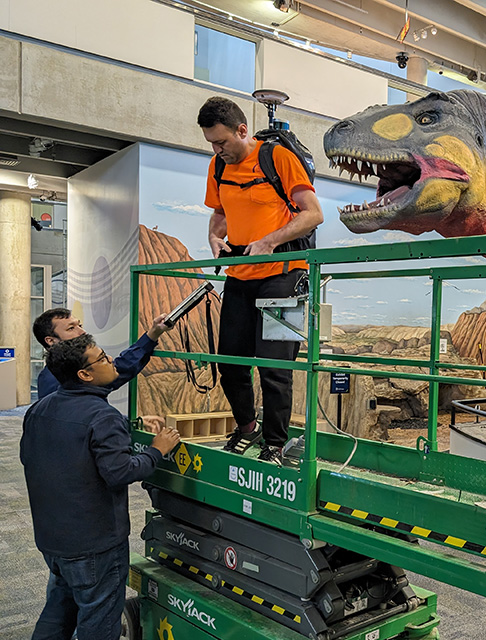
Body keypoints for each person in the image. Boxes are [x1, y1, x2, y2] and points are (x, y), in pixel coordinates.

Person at [21, 334, 181, 640]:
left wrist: (127, 424)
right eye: (103, 358)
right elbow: (120, 473)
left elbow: (33, 457)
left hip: (53, 540)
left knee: (58, 610)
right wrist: (156, 450)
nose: (111, 362)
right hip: (94, 547)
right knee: (99, 620)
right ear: (85, 374)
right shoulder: (102, 416)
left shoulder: (39, 409)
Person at [198, 96, 324, 465]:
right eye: (211, 144)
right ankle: (248, 427)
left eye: (222, 142)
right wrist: (214, 238)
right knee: (231, 364)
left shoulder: (278, 158)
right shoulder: (217, 167)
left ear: (242, 130)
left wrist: (270, 241)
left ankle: (275, 443)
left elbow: (313, 214)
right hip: (240, 275)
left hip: (285, 275)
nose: (218, 150)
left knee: (274, 368)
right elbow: (220, 213)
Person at [32, 308, 172, 403]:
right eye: (71, 328)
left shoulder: (73, 372)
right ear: (51, 341)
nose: (83, 332)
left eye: (79, 325)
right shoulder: (52, 380)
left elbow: (120, 369)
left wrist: (153, 334)